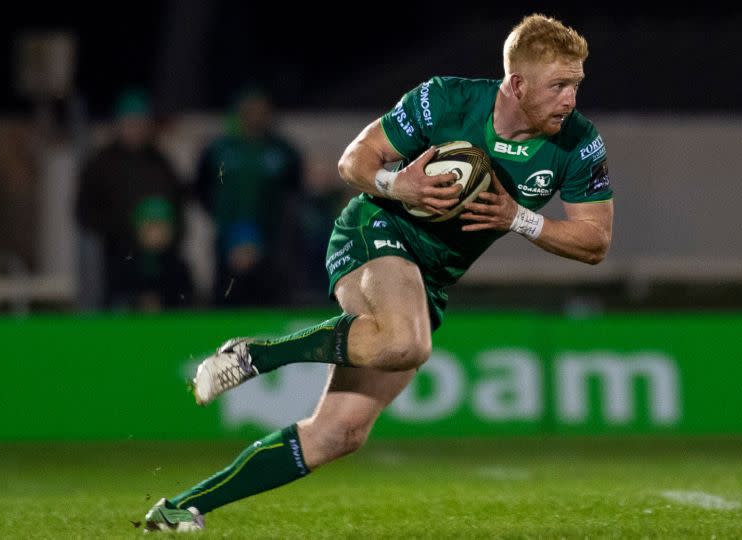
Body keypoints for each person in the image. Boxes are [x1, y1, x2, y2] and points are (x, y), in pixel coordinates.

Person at [143, 14, 613, 531]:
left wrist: (518, 218)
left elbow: (595, 242)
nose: (571, 100)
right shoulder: (446, 101)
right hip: (375, 227)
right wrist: (398, 184)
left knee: (338, 434)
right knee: (406, 344)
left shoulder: (577, 142)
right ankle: (259, 355)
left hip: (428, 278)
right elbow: (355, 161)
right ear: (517, 84)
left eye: (576, 85)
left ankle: (181, 507)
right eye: (559, 86)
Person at [76, 88, 188, 309]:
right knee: (121, 307)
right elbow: (83, 210)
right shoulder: (102, 164)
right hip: (119, 256)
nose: (136, 129)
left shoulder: (160, 162)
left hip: (161, 259)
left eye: (141, 122)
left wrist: (169, 233)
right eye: (130, 122)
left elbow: (179, 205)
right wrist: (127, 228)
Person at [193, 87, 305, 307]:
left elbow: (295, 190)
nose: (255, 115)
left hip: (271, 238)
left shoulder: (282, 150)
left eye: (261, 110)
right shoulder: (218, 149)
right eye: (250, 110)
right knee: (227, 292)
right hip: (227, 236)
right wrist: (220, 216)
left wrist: (280, 226)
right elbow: (202, 187)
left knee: (270, 292)